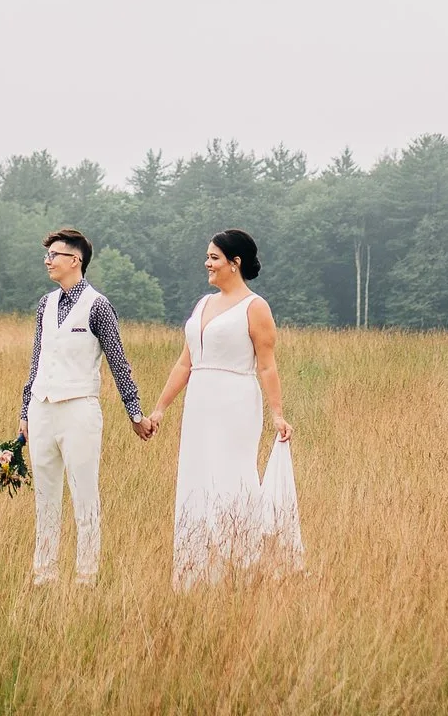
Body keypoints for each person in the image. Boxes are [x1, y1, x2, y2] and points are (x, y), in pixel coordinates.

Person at [147, 228, 304, 590]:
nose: (207, 263)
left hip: (235, 401)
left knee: (231, 478)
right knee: (197, 477)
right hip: (199, 404)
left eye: (214, 257)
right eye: (207, 256)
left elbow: (267, 365)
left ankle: (242, 564)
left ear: (235, 263)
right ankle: (198, 569)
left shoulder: (255, 307)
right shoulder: (203, 304)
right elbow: (185, 363)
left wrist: (277, 413)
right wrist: (160, 409)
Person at [18, 227, 153, 586]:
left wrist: (135, 413)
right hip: (42, 408)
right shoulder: (45, 304)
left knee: (84, 494)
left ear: (75, 260)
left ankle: (86, 575)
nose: (47, 261)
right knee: (45, 496)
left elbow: (118, 362)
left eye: (54, 255)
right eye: (47, 255)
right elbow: (37, 361)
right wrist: (25, 411)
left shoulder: (98, 306)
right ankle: (44, 573)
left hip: (79, 409)